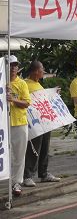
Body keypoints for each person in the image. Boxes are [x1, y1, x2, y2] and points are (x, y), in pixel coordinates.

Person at [23, 61, 60, 188]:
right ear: (34, 71)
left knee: (45, 147)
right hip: (34, 123)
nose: (43, 71)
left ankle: (43, 173)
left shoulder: (38, 84)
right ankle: (27, 175)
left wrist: (54, 95)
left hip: (44, 121)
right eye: (41, 69)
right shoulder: (25, 84)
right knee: (34, 149)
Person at [6, 55, 31, 196]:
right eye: (10, 65)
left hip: (19, 123)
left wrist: (13, 99)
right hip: (4, 124)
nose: (13, 68)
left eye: (15, 65)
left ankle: (16, 183)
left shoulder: (22, 84)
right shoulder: (1, 82)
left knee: (19, 155)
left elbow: (27, 103)